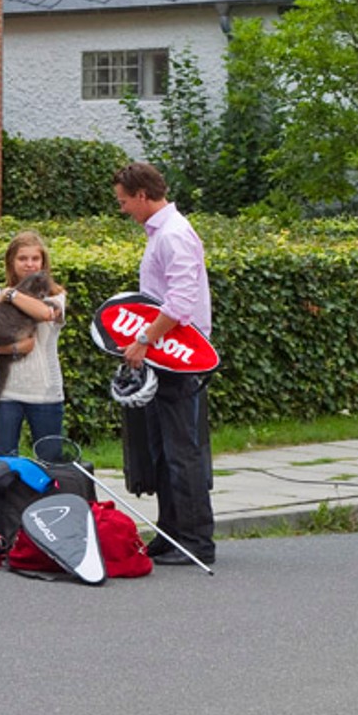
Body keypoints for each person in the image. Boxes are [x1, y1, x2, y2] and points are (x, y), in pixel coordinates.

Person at [113, 161, 215, 566]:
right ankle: (170, 533)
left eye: (124, 201)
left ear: (142, 195)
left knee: (181, 450)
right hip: (166, 354)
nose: (123, 209)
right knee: (161, 448)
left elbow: (179, 304)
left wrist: (142, 340)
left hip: (179, 356)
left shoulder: (174, 235)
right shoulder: (161, 233)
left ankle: (195, 541)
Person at [0, 231, 68, 457]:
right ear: (11, 263)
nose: (30, 264)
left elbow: (45, 314)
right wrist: (14, 348)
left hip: (45, 393)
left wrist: (12, 295)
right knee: (3, 463)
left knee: (50, 461)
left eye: (35, 259)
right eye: (22, 259)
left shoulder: (55, 296)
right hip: (5, 393)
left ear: (43, 262)